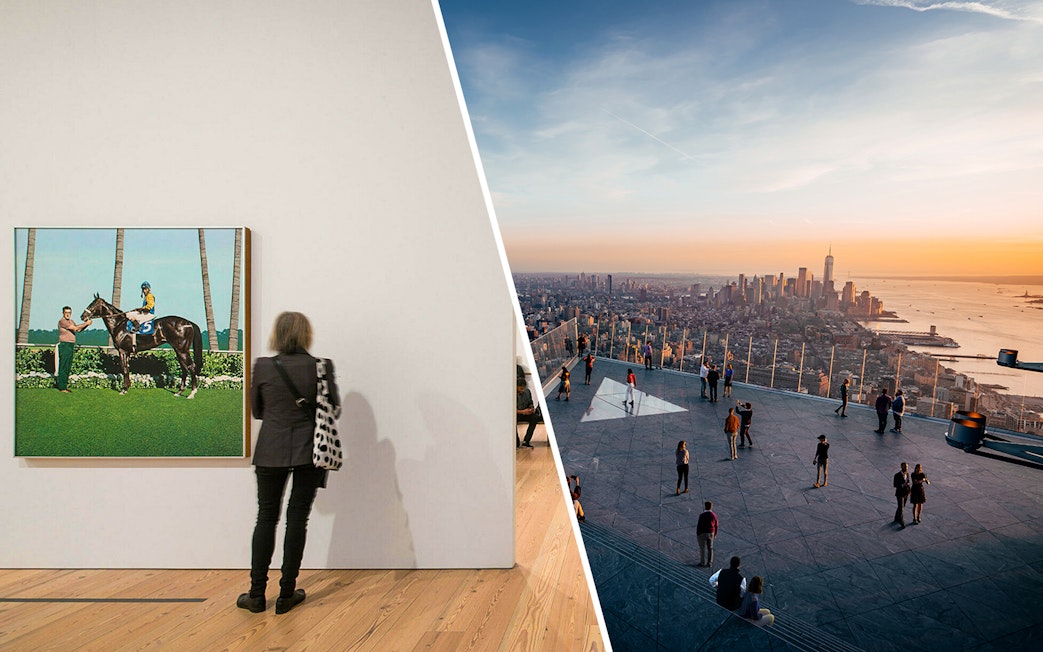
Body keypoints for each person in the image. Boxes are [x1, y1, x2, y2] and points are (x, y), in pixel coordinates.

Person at [238, 312, 340, 615]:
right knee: (298, 519)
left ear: (278, 335)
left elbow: (257, 411)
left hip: (270, 450)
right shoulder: (321, 366)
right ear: (305, 334)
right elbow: (332, 409)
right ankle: (286, 593)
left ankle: (256, 594)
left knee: (266, 517)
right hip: (309, 452)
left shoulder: (264, 366)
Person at [55, 306, 92, 393]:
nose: (68, 314)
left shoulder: (71, 321)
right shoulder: (62, 321)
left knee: (68, 366)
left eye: (69, 312)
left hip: (71, 345)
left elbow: (78, 330)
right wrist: (86, 323)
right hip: (65, 345)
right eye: (66, 312)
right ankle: (62, 387)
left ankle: (64, 385)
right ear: (63, 313)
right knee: (64, 366)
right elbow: (75, 328)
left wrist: (87, 324)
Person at [517, 378, 538, 449]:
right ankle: (515, 440)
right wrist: (522, 411)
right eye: (520, 388)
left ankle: (526, 441)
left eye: (523, 388)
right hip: (516, 414)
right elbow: (510, 410)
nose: (522, 390)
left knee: (535, 417)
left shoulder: (527, 391)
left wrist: (531, 408)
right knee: (511, 420)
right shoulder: (512, 394)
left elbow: (530, 402)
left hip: (525, 413)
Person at [696, 501, 718, 567]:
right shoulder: (714, 515)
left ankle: (702, 562)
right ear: (711, 507)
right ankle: (710, 562)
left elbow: (699, 525)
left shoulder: (702, 515)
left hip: (702, 533)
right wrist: (715, 534)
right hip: (711, 532)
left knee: (702, 548)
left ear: (705, 506)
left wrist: (698, 533)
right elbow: (716, 525)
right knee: (710, 548)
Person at [893, 461, 911, 528]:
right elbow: (895, 485)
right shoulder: (897, 475)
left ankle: (896, 517)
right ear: (901, 467)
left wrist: (909, 490)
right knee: (901, 508)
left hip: (906, 493)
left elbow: (908, 482)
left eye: (907, 467)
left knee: (901, 507)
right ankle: (901, 521)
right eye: (905, 467)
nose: (906, 468)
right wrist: (903, 485)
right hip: (900, 494)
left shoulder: (907, 474)